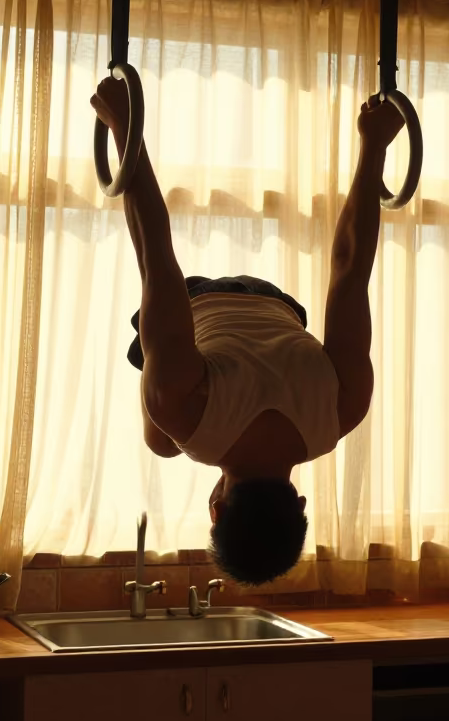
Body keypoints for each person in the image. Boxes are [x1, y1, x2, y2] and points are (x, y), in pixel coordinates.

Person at [91, 78, 404, 586]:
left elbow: (351, 268)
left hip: (280, 308)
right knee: (164, 437)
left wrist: (375, 146)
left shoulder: (344, 411)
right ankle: (163, 401)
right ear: (216, 510)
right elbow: (156, 260)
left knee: (169, 432)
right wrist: (125, 128)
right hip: (198, 305)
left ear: (300, 504)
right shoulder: (182, 410)